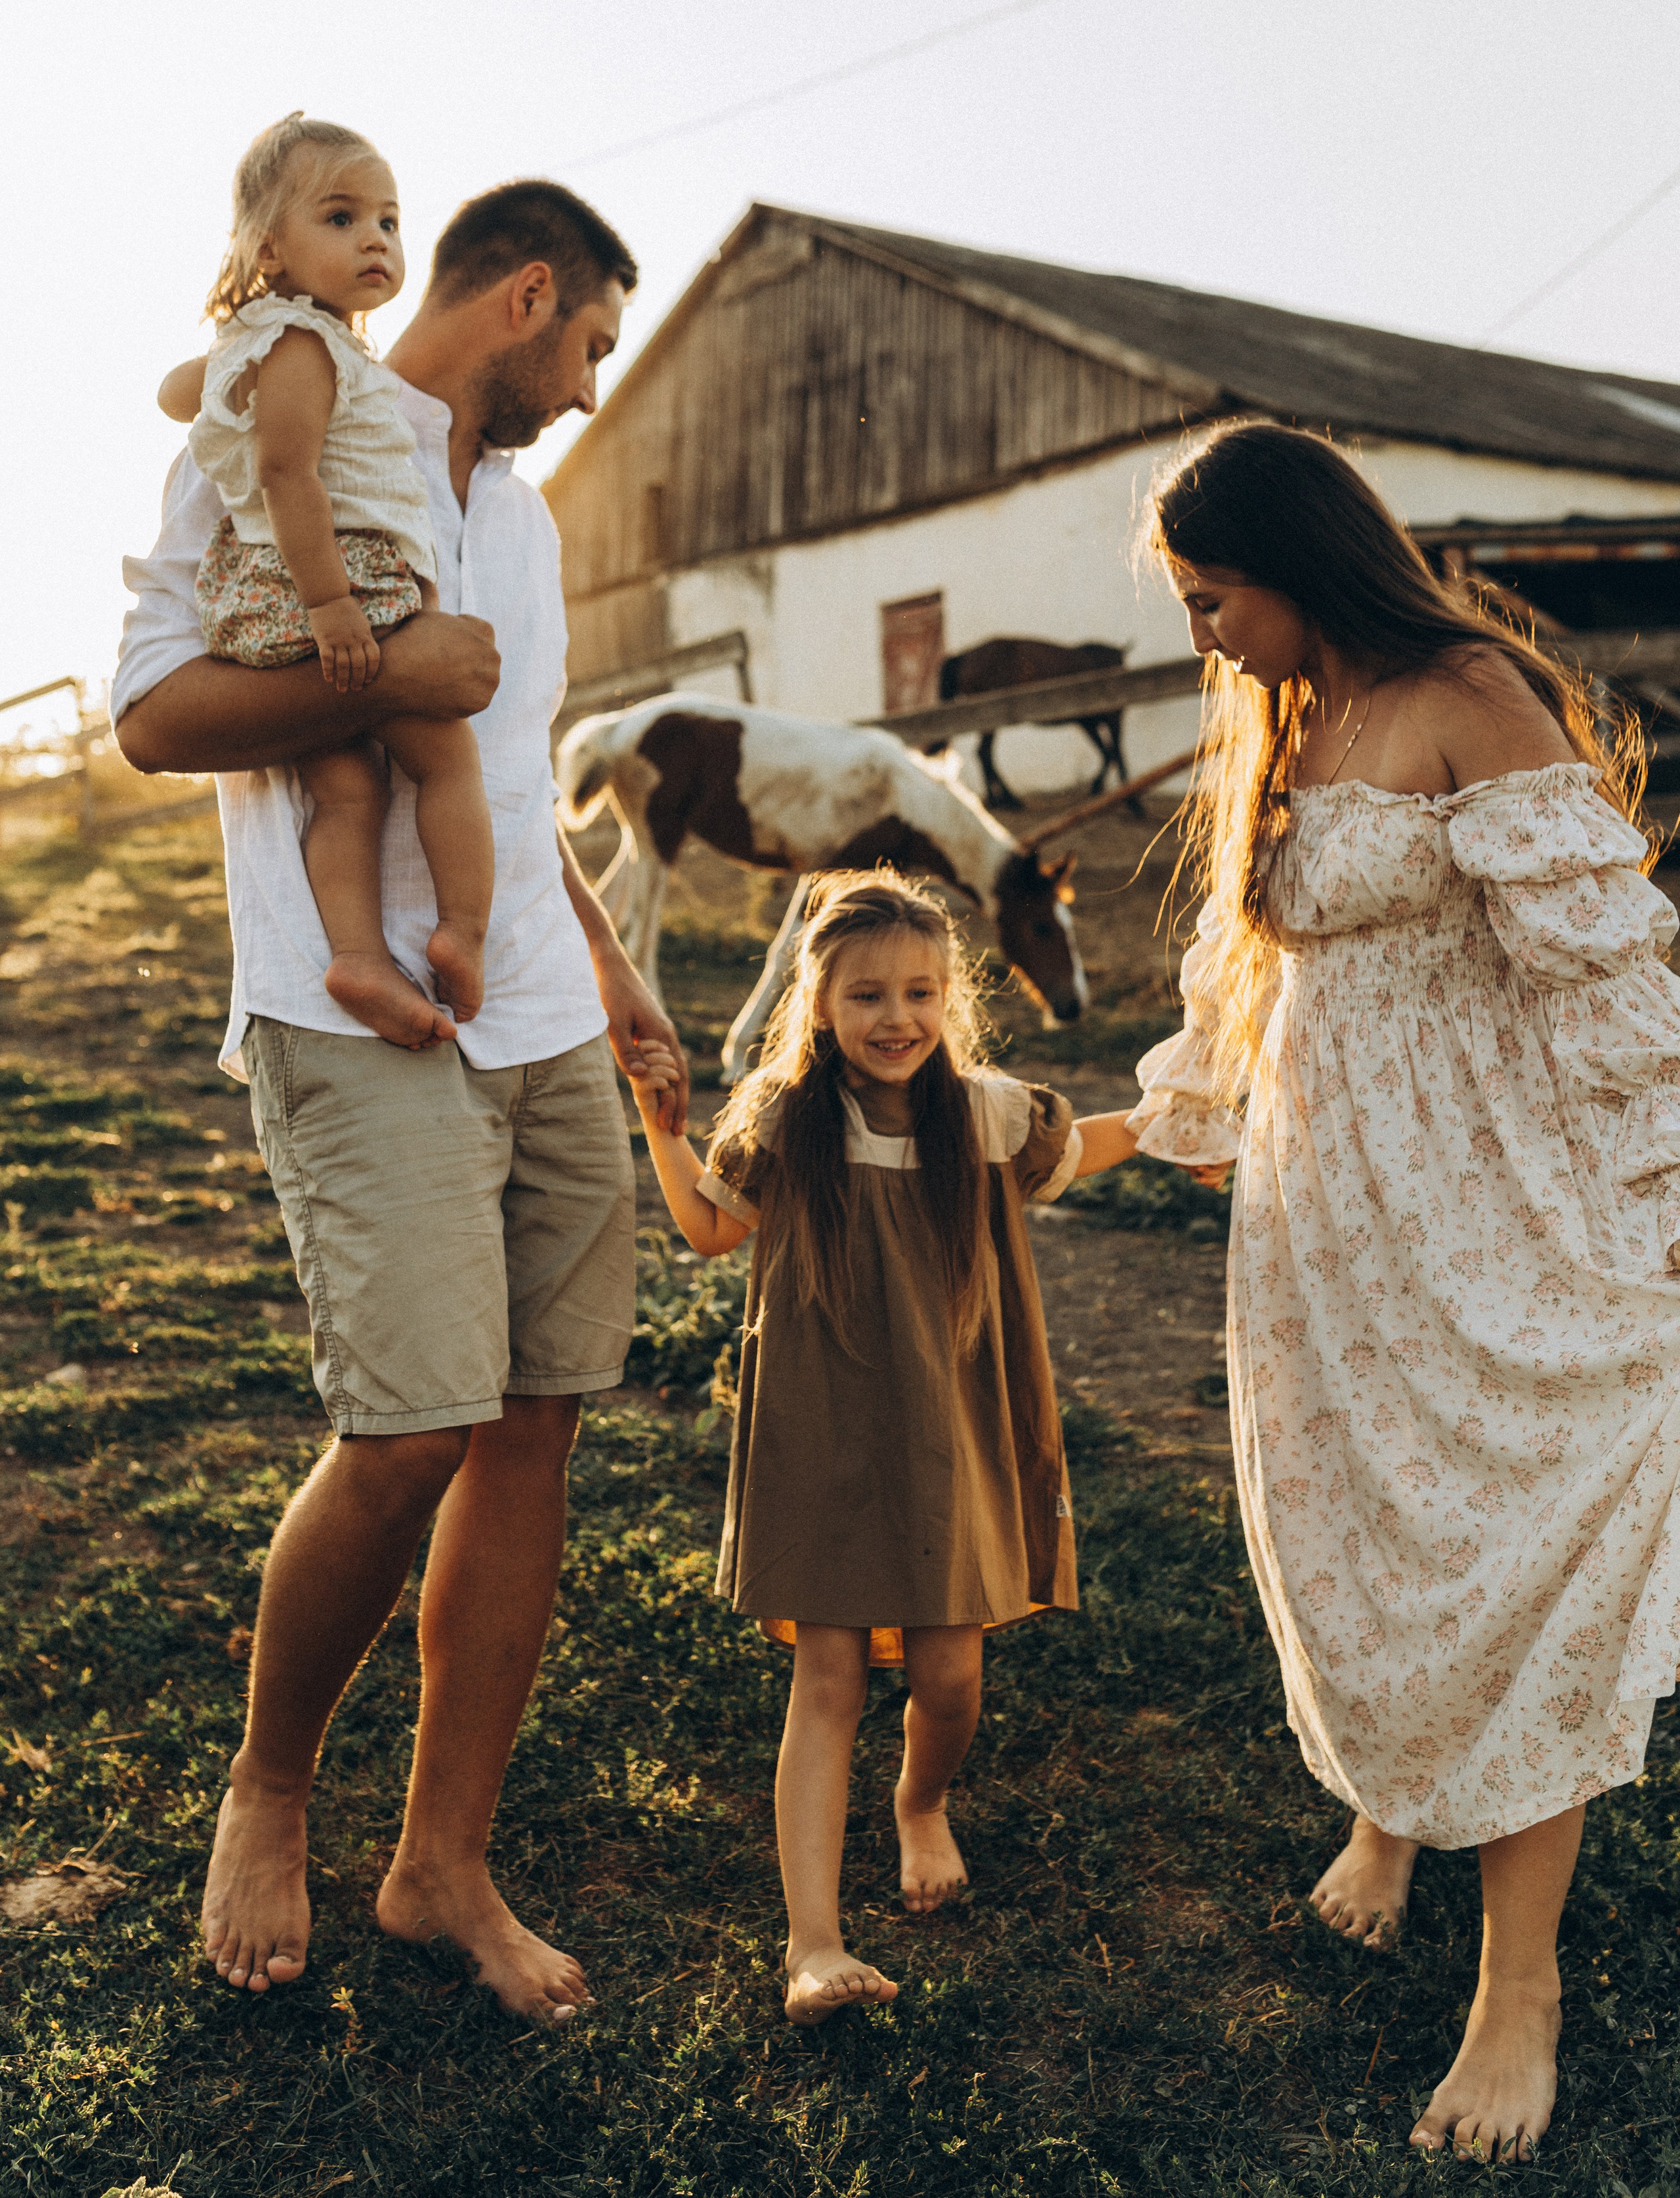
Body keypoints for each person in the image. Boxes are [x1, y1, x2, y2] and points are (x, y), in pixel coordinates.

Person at [113, 170, 689, 2023]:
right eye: (595, 340)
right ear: (523, 298)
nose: (596, 386)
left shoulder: (518, 519)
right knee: (408, 1435)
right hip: (355, 1014)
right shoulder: (282, 412)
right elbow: (152, 719)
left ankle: (442, 1864)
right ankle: (270, 1791)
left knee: (532, 1429)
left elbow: (509, 778)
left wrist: (607, 974)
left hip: (536, 1022)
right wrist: (394, 669)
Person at [1129, 417, 1680, 2162]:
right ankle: (1393, 1808)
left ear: (1294, 565)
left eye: (1216, 598)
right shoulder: (1290, 715)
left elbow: (1600, 959)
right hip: (1327, 1217)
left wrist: (1666, 1178)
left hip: (1487, 1200)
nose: (1205, 632)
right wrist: (1167, 1116)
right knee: (1362, 1524)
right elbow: (1247, 962)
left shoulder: (1470, 691)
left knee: (1505, 1545)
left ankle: (1518, 1986)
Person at [626, 868, 1142, 2024]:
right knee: (831, 1675)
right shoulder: (786, 1119)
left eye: (918, 992)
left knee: (951, 1675)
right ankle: (813, 1943)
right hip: (822, 1434)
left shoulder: (987, 1112)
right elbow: (710, 1226)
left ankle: (920, 1803)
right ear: (817, 1006)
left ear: (950, 999)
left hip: (943, 1431)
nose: (895, 1018)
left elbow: (1079, 1149)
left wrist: (1174, 1126)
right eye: (866, 996)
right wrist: (661, 1128)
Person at [157, 112, 495, 1047]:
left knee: (346, 785)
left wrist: (226, 352)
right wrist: (335, 607)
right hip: (331, 585)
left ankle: (357, 955)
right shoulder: (304, 345)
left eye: (388, 221)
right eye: (341, 218)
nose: (377, 241)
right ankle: (464, 931)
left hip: (267, 601)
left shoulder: (276, 342)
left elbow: (174, 396)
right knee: (444, 757)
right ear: (270, 249)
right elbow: (286, 475)